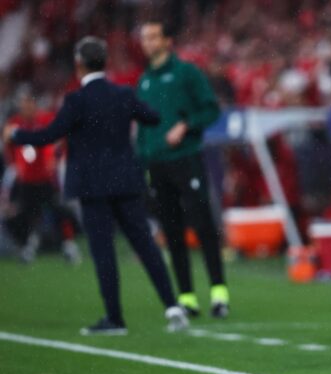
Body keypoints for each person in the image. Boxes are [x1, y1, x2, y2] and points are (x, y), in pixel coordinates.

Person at [3, 36, 188, 335]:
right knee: (145, 245)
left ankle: (115, 319)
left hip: (92, 186)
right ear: (104, 62)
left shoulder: (76, 100)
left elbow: (49, 134)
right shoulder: (122, 94)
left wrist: (17, 136)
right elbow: (153, 117)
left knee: (104, 252)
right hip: (126, 181)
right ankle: (172, 306)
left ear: (79, 64)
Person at [137, 20, 229, 318]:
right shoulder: (145, 80)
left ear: (167, 40)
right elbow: (142, 128)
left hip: (186, 158)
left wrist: (186, 125)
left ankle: (219, 293)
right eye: (144, 38)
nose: (148, 43)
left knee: (203, 225)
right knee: (172, 231)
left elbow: (211, 108)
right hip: (157, 164)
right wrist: (142, 159)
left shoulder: (186, 73)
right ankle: (187, 296)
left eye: (153, 37)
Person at [3, 87, 81, 264]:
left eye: (28, 103)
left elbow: (62, 141)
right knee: (28, 213)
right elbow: (8, 147)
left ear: (34, 103)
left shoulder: (46, 119)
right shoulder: (15, 123)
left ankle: (69, 245)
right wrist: (15, 164)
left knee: (59, 210)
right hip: (27, 179)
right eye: (23, 104)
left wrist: (57, 159)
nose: (25, 107)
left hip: (48, 177)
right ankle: (29, 246)